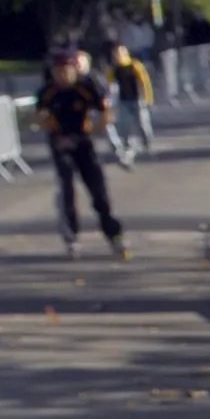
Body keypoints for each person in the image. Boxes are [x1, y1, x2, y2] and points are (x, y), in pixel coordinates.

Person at [34, 46, 128, 259]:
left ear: (74, 70)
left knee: (98, 191)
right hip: (60, 143)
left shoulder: (86, 86)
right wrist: (54, 132)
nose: (62, 75)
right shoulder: (48, 91)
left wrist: (91, 132)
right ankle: (71, 236)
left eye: (66, 70)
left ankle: (114, 235)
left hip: (84, 142)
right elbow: (39, 117)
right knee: (67, 189)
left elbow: (106, 113)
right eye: (58, 71)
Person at [106, 41, 159, 156]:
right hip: (122, 101)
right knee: (124, 123)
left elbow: (144, 82)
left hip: (137, 99)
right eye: (116, 54)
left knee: (142, 123)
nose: (117, 56)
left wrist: (147, 97)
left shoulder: (135, 66)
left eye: (120, 53)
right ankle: (127, 143)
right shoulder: (113, 70)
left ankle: (146, 140)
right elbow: (109, 86)